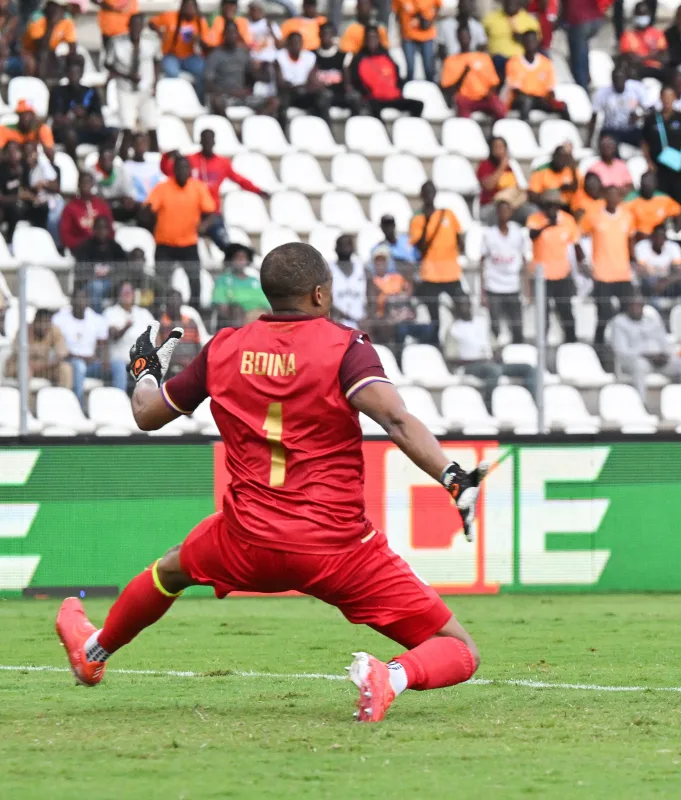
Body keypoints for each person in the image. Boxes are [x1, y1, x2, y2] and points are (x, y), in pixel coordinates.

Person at [54, 242, 488, 725]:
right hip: (338, 549)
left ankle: (94, 652)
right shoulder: (346, 348)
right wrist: (453, 478)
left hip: (246, 539)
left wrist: (145, 373)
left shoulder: (223, 347)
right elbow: (397, 421)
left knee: (172, 570)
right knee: (459, 649)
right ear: (321, 294)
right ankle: (392, 676)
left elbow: (147, 414)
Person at [174, 129, 268, 253]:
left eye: (210, 140)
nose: (207, 142)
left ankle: (237, 258)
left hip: (212, 213)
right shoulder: (190, 160)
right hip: (190, 211)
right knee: (179, 244)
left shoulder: (222, 163)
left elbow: (239, 179)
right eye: (205, 139)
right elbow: (169, 170)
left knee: (224, 242)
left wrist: (258, 190)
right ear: (200, 141)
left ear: (214, 142)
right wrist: (167, 157)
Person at [144, 155, 216, 306]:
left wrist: (204, 225)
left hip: (188, 243)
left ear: (190, 170)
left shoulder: (198, 187)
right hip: (165, 244)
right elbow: (149, 208)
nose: (183, 171)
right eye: (179, 168)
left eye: (186, 167)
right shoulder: (162, 187)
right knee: (161, 281)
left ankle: (195, 310)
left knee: (195, 280)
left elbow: (211, 212)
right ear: (174, 170)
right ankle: (160, 311)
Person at [580, 185, 636, 347]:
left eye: (615, 195)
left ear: (620, 198)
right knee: (603, 313)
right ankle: (599, 344)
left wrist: (634, 261)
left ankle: (624, 343)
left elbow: (631, 239)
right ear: (605, 197)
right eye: (609, 195)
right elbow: (580, 237)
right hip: (601, 274)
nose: (613, 198)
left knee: (627, 311)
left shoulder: (627, 216)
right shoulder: (594, 217)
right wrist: (585, 263)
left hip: (623, 273)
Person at [611, 294, 681, 399]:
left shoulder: (652, 321)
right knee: (640, 366)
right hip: (636, 361)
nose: (636, 308)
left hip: (659, 361)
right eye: (632, 305)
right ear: (627, 307)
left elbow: (664, 343)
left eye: (639, 305)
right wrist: (645, 355)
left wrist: (665, 356)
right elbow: (621, 351)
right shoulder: (620, 322)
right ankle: (641, 404)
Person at [409, 181, 465, 340]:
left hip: (451, 273)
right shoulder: (417, 219)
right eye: (425, 192)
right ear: (421, 196)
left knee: (462, 309)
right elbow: (420, 248)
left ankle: (459, 341)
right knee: (434, 316)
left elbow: (460, 239)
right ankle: (435, 345)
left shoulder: (448, 214)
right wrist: (427, 223)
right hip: (430, 275)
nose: (429, 195)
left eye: (431, 191)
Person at [527, 190, 582, 343]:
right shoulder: (535, 219)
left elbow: (575, 246)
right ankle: (541, 345)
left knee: (566, 312)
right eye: (548, 205)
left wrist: (578, 273)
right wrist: (547, 225)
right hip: (541, 276)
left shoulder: (568, 220)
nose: (551, 208)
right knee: (543, 314)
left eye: (554, 205)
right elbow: (532, 235)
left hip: (562, 275)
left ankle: (572, 344)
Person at [105, 13, 159, 152]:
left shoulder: (152, 41)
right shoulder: (116, 42)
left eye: (139, 25)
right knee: (127, 127)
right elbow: (108, 64)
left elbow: (157, 61)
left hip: (145, 89)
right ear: (128, 26)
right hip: (125, 90)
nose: (136, 28)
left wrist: (155, 84)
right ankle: (122, 160)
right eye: (133, 25)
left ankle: (155, 161)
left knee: (152, 126)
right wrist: (127, 75)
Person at [52, 285, 111, 402]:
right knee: (79, 366)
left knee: (118, 366)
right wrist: (80, 358)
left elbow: (103, 346)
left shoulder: (96, 319)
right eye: (77, 299)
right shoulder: (59, 319)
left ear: (88, 300)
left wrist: (102, 359)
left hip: (92, 363)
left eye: (83, 299)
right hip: (70, 362)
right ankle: (78, 405)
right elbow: (60, 349)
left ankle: (117, 404)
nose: (80, 302)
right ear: (71, 301)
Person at [349, 26, 424, 118]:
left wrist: (398, 90)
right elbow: (356, 81)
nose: (372, 41)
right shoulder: (358, 59)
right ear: (365, 40)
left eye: (375, 37)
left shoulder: (386, 56)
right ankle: (382, 131)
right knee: (372, 107)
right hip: (374, 99)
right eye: (369, 38)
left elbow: (397, 76)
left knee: (418, 105)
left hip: (392, 97)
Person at [480, 199, 527, 343]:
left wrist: (527, 288)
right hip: (494, 287)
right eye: (501, 210)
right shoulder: (489, 235)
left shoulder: (518, 234)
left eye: (507, 210)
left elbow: (524, 261)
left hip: (513, 286)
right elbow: (481, 262)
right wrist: (482, 291)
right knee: (495, 327)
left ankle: (518, 354)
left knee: (517, 326)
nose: (504, 214)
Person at [441, 26, 505, 121]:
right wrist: (463, 74)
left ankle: (496, 133)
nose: (464, 38)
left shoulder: (484, 57)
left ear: (471, 37)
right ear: (457, 38)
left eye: (466, 35)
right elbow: (448, 89)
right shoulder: (450, 61)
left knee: (499, 108)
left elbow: (494, 82)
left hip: (484, 97)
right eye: (461, 36)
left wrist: (489, 93)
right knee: (461, 107)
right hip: (465, 99)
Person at [48, 57, 108, 154]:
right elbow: (57, 119)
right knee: (70, 135)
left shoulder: (90, 92)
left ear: (81, 74)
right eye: (71, 73)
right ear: (67, 74)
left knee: (112, 133)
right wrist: (72, 115)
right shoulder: (57, 92)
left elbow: (99, 120)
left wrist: (86, 118)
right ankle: (74, 165)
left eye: (77, 73)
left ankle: (103, 163)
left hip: (86, 130)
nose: (74, 76)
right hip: (65, 133)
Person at [104, 280, 155, 391]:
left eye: (129, 292)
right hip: (120, 359)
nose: (127, 294)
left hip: (142, 359)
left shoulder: (143, 313)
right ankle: (120, 403)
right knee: (120, 366)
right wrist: (125, 328)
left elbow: (156, 335)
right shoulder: (111, 312)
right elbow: (113, 335)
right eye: (124, 292)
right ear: (119, 294)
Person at [150, 0, 209, 96]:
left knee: (203, 70)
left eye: (192, 7)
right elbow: (151, 22)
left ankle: (199, 98)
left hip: (190, 56)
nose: (189, 10)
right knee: (172, 72)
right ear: (182, 7)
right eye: (187, 6)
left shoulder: (200, 22)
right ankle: (175, 98)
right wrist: (159, 32)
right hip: (171, 55)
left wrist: (197, 39)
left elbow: (206, 46)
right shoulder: (170, 16)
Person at [505, 30, 566, 121]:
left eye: (533, 41)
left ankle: (569, 131)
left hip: (541, 100)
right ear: (523, 43)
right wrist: (535, 97)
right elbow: (516, 90)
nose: (530, 44)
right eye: (528, 41)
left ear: (537, 42)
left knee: (562, 106)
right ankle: (525, 130)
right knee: (526, 101)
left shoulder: (546, 63)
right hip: (520, 100)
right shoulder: (514, 62)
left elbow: (550, 89)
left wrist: (550, 100)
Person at [73, 216, 131, 309]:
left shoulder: (115, 246)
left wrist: (111, 270)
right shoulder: (86, 246)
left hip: (112, 281)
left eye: (104, 228)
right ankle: (98, 316)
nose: (102, 231)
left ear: (108, 230)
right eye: (99, 228)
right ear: (94, 229)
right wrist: (94, 272)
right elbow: (80, 268)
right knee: (97, 286)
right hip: (91, 283)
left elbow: (123, 264)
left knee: (127, 287)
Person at [588, 63, 650, 148]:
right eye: (616, 79)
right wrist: (588, 141)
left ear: (626, 79)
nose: (618, 82)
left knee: (646, 139)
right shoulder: (602, 92)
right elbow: (594, 116)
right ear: (612, 80)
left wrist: (639, 117)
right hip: (611, 130)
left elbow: (650, 110)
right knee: (608, 143)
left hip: (630, 129)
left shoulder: (635, 89)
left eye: (621, 78)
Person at [276, 31, 330, 120]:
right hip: (289, 93)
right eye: (294, 43)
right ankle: (283, 131)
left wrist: (306, 88)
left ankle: (325, 127)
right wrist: (294, 87)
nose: (297, 45)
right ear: (288, 44)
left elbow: (312, 80)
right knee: (282, 100)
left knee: (324, 95)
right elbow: (280, 83)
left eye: (299, 43)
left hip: (305, 91)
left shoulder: (309, 57)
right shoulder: (280, 56)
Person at [212, 243, 268, 328]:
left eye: (243, 257)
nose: (241, 260)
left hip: (259, 318)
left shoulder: (255, 281)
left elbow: (266, 303)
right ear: (230, 259)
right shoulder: (223, 281)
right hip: (238, 320)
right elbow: (222, 306)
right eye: (237, 257)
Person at [59, 171, 114, 255]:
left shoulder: (102, 205)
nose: (85, 185)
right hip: (81, 249)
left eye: (88, 182)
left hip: (102, 247)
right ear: (78, 185)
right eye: (83, 182)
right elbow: (65, 235)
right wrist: (82, 244)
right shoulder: (70, 208)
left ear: (92, 185)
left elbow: (110, 229)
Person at [482, 0, 538, 80]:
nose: (510, 3)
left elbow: (536, 43)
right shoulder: (490, 19)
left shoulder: (530, 20)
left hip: (520, 62)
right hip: (497, 61)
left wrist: (521, 38)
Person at [633, 223, 681, 301]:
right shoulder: (642, 246)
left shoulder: (673, 247)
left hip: (668, 282)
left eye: (662, 237)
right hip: (649, 283)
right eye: (657, 237)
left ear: (665, 238)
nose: (659, 240)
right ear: (652, 237)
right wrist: (655, 283)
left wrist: (665, 282)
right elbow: (641, 271)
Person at [626, 171, 681, 239]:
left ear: (655, 184)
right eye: (645, 183)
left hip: (658, 238)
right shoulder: (630, 199)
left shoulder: (663, 199)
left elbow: (679, 212)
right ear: (640, 184)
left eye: (650, 182)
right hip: (638, 238)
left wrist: (675, 231)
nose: (648, 185)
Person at [562, 0, 603, 87]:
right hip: (594, 18)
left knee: (578, 62)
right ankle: (586, 79)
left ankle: (583, 88)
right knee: (583, 54)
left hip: (578, 19)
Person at [394, 0, 438, 80]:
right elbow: (397, 13)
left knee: (429, 69)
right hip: (408, 35)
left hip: (426, 35)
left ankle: (432, 89)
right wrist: (400, 32)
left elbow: (438, 7)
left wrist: (430, 22)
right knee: (410, 69)